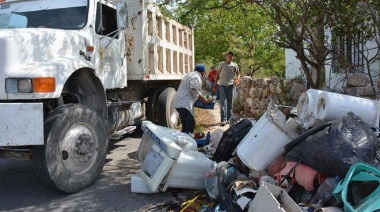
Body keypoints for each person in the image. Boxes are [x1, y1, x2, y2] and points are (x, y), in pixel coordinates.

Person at [172, 64, 211, 135]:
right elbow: (194, 89)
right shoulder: (196, 76)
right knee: (190, 122)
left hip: (181, 102)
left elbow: (194, 90)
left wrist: (200, 98)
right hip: (183, 103)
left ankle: (184, 137)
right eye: (204, 72)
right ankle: (188, 139)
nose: (204, 74)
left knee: (186, 121)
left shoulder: (190, 75)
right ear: (202, 72)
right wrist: (203, 99)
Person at [213, 51, 240, 126]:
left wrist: (238, 79)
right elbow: (217, 74)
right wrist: (215, 85)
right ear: (226, 57)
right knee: (223, 102)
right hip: (222, 85)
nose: (230, 58)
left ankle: (229, 118)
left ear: (233, 58)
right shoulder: (221, 64)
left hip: (231, 85)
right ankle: (223, 119)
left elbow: (238, 74)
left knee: (230, 102)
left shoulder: (234, 65)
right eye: (228, 56)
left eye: (231, 57)